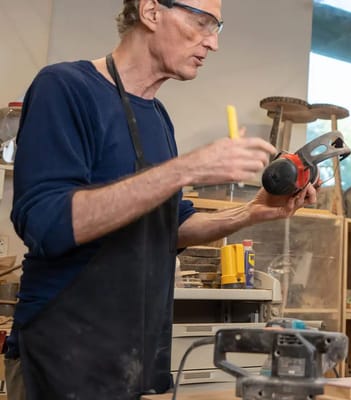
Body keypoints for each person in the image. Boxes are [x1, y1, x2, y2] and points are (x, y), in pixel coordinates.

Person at [5, 0, 318, 398]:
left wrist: (251, 212)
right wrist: (187, 168)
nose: (213, 43)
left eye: (217, 27)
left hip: (135, 356)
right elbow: (47, 224)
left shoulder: (157, 117)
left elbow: (170, 226)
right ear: (151, 11)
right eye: (202, 22)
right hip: (63, 355)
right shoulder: (64, 87)